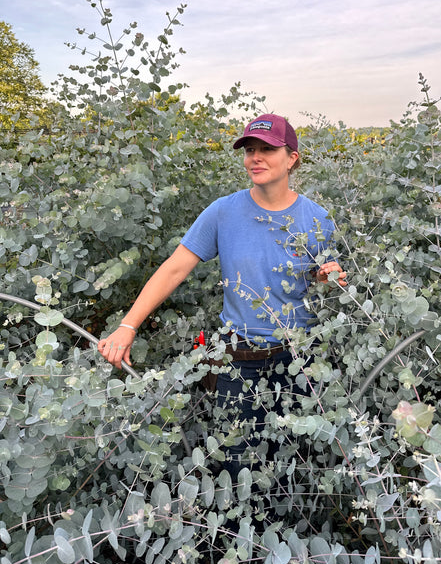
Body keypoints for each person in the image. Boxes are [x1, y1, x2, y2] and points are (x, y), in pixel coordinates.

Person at [98, 114, 346, 482]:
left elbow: (320, 281)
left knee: (292, 463)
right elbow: (174, 269)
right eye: (249, 150)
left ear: (292, 157)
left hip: (299, 361)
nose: (255, 158)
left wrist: (330, 278)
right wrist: (127, 326)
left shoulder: (317, 219)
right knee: (236, 464)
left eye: (267, 149)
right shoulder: (223, 212)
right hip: (239, 361)